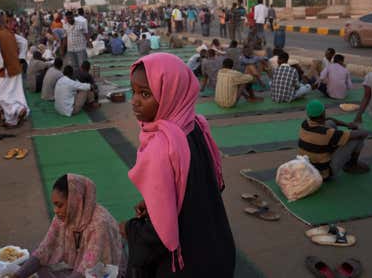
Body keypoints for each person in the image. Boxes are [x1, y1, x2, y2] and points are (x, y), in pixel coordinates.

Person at [122, 53, 234, 277]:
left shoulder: (161, 146)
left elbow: (159, 233)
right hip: (217, 245)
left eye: (145, 93)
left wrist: (128, 229)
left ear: (171, 93)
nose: (134, 101)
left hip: (189, 263)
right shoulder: (194, 126)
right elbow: (195, 184)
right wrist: (155, 200)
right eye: (133, 91)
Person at [12, 174, 125, 278]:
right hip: (79, 267)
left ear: (75, 201)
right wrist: (18, 275)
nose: (56, 211)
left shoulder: (100, 224)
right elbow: (46, 248)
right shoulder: (64, 217)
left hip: (105, 272)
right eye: (55, 205)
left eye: (60, 205)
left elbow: (90, 266)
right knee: (41, 265)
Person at [299, 100, 370, 180]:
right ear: (323, 113)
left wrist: (347, 125)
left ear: (308, 115)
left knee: (330, 123)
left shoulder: (304, 124)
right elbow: (364, 133)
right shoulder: (328, 133)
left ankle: (336, 151)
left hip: (309, 168)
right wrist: (357, 126)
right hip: (324, 173)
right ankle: (351, 165)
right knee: (357, 138)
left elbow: (330, 120)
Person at [0, 14, 29, 127]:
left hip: (4, 70)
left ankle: (18, 109)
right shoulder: (8, 32)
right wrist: (21, 58)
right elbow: (24, 42)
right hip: (15, 67)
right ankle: (12, 120)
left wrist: (0, 65)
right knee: (15, 93)